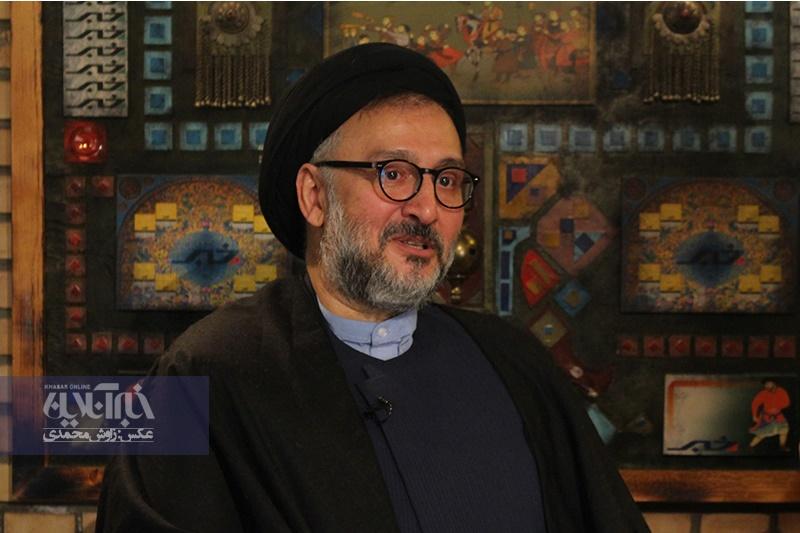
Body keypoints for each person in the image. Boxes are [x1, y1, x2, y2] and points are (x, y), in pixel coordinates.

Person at [97, 43, 647, 532]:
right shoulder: (197, 377)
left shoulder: (513, 362)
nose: (427, 209)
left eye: (447, 179)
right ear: (315, 196)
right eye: (394, 173)